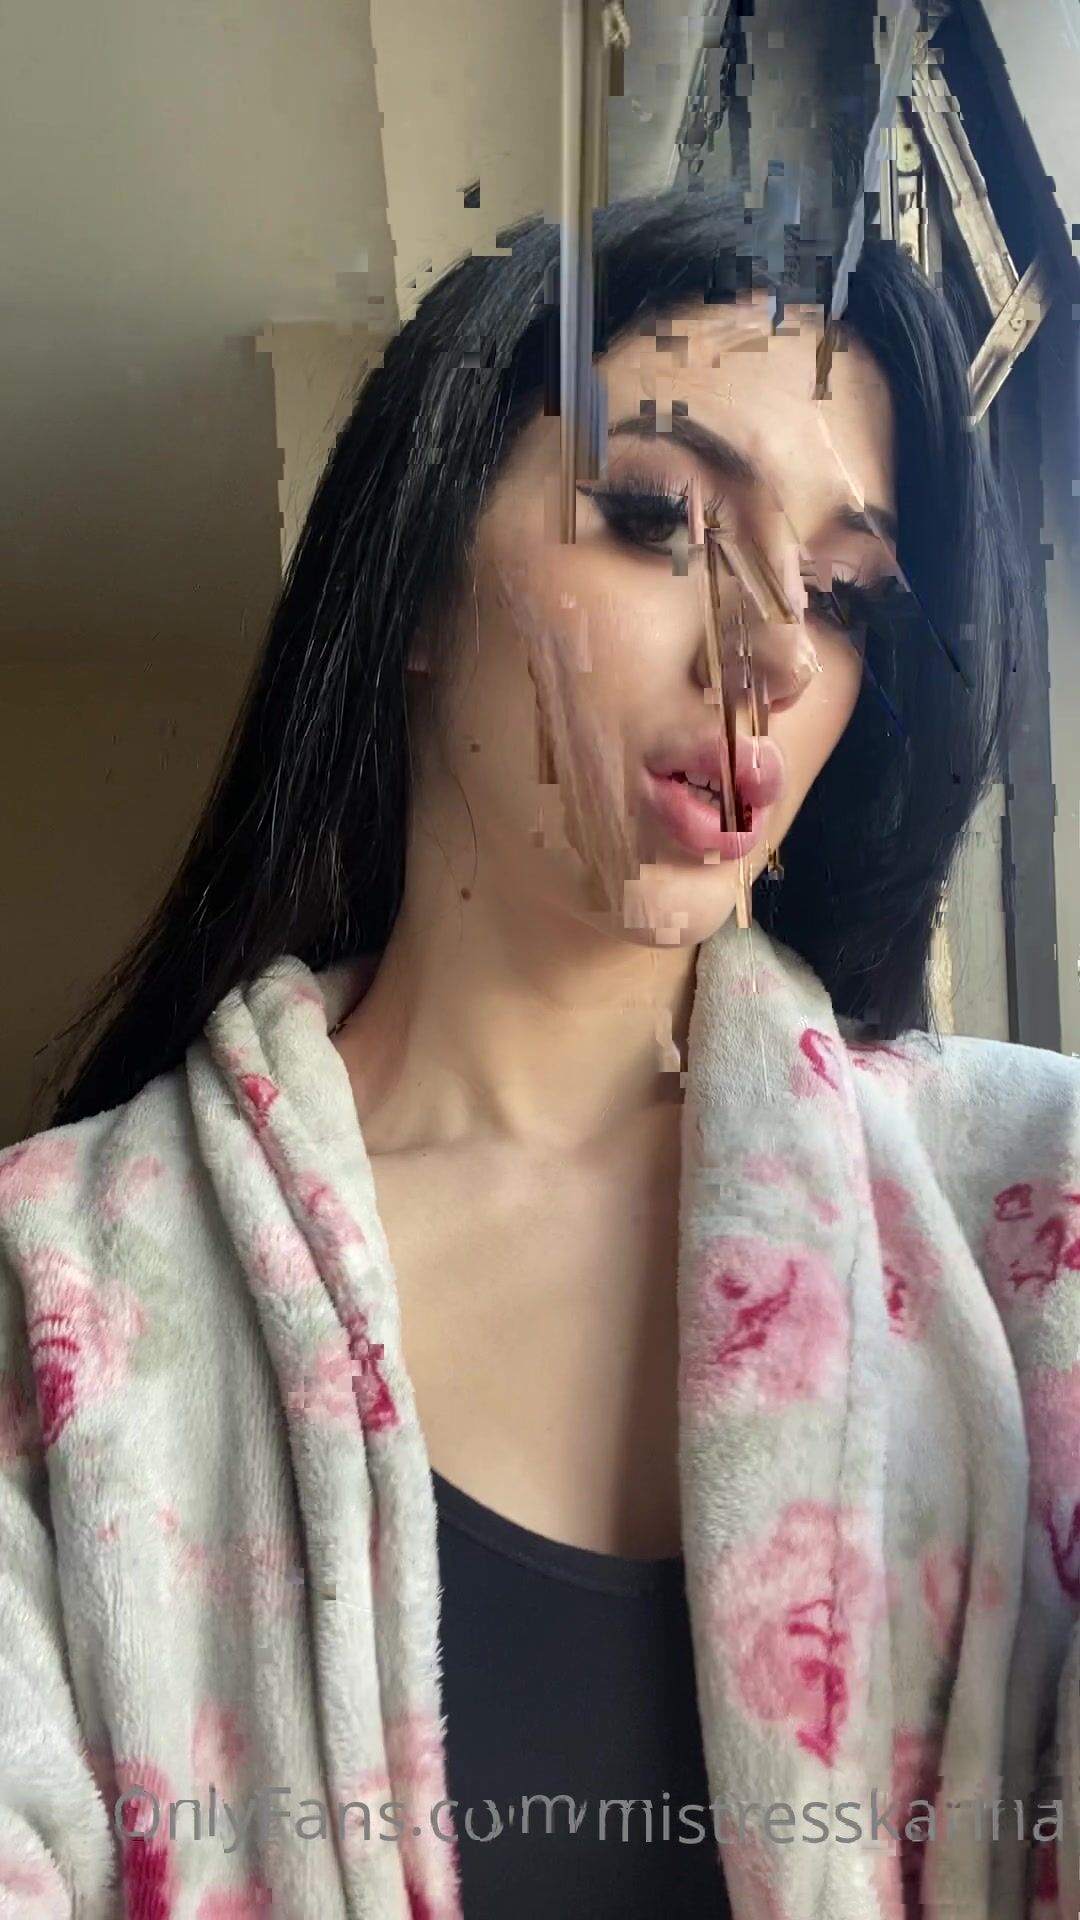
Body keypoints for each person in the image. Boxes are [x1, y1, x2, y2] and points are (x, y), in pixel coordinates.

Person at [0, 192, 1077, 1920]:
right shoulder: (57, 1291)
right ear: (420, 580)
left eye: (846, 596)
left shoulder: (1033, 1222)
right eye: (658, 519)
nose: (772, 654)